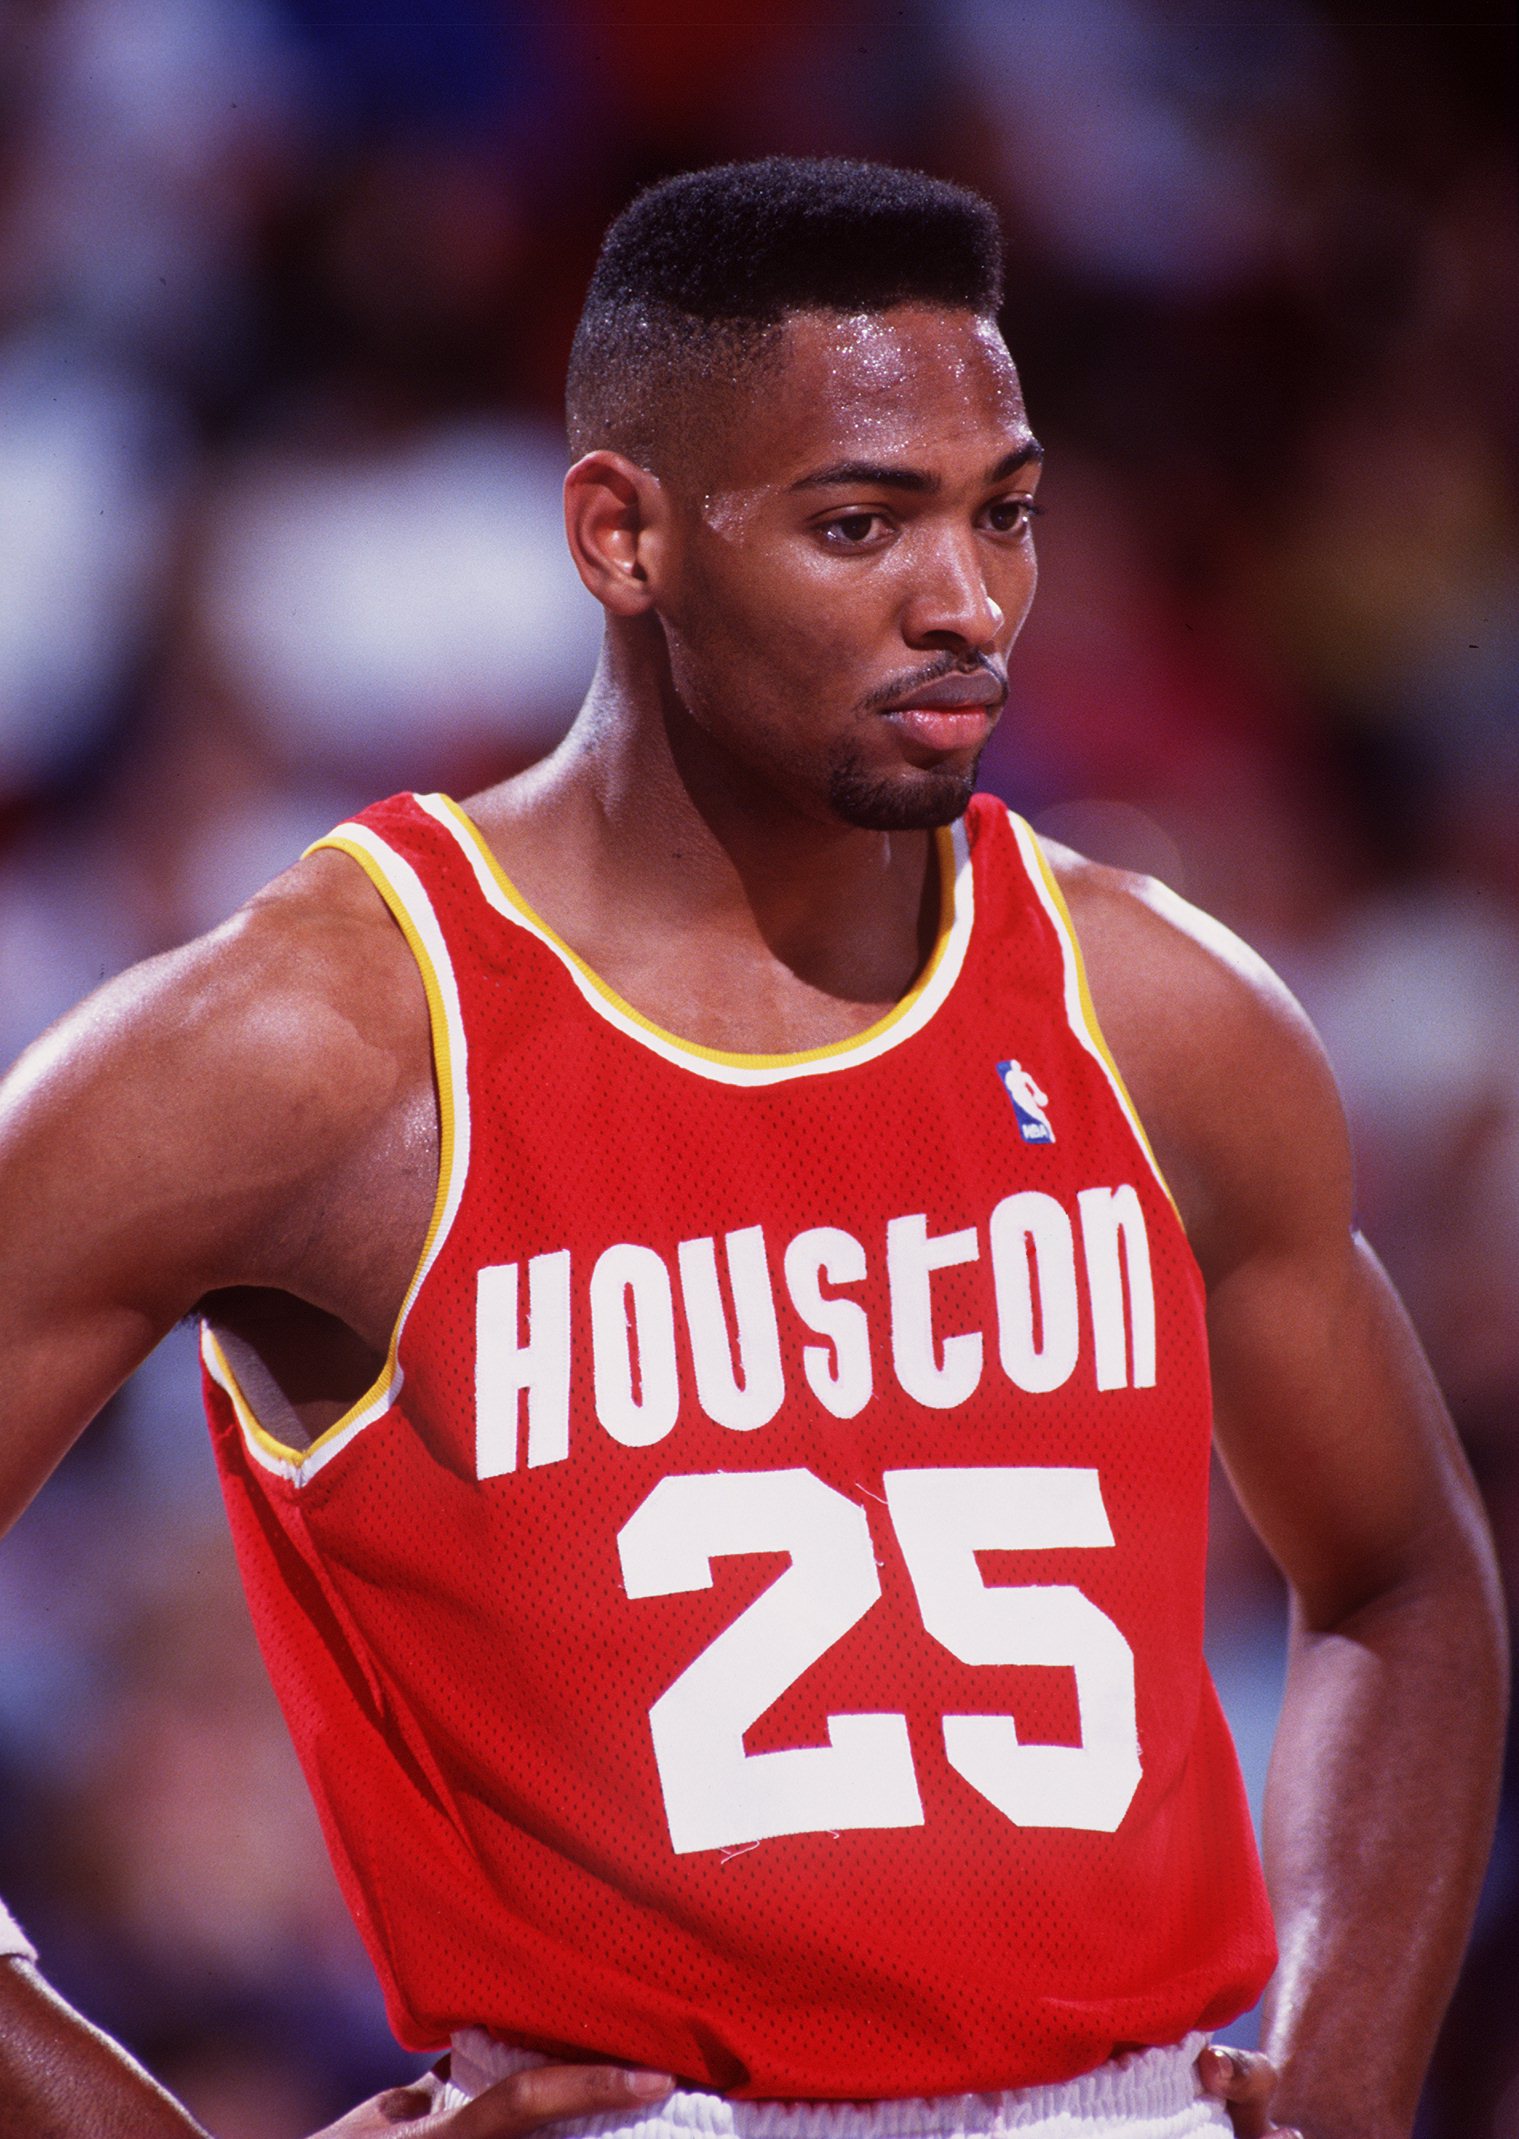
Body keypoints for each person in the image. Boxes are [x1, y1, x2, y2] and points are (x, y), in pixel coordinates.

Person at [0, 158, 1505, 2139]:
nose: (965, 602)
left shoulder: (1161, 1011)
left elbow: (1404, 1574)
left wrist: (1339, 2074)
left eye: (1006, 512)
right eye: (861, 522)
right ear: (623, 535)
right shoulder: (315, 1039)